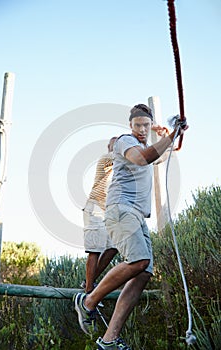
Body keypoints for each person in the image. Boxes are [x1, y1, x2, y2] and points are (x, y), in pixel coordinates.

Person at [74, 104, 188, 349]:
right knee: (138, 261)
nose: (142, 129)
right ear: (130, 126)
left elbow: (166, 152)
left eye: (146, 125)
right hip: (120, 209)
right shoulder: (125, 141)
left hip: (137, 216)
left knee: (143, 272)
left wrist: (176, 133)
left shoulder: (147, 147)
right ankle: (88, 300)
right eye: (138, 125)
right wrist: (169, 136)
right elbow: (141, 158)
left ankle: (109, 339)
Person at [82, 137, 118, 294]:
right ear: (109, 146)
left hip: (108, 210)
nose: (118, 146)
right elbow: (125, 157)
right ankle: (89, 291)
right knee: (95, 249)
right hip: (95, 206)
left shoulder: (122, 169)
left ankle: (88, 282)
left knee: (113, 246)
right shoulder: (106, 158)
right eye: (115, 144)